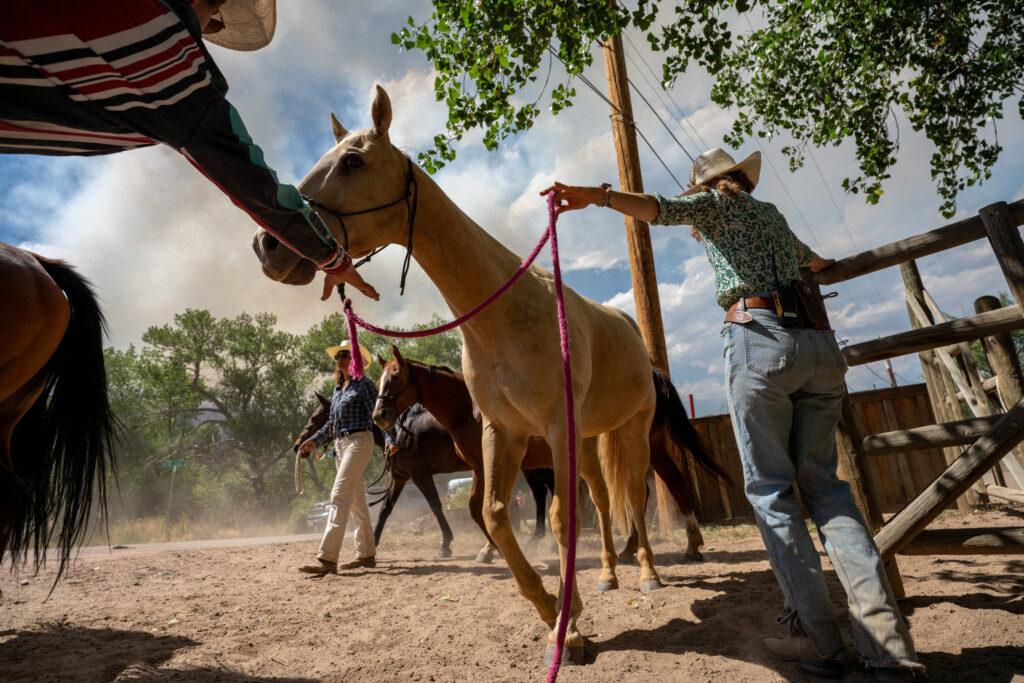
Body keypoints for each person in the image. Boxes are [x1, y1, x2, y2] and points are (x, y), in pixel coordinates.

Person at [542, 148, 922, 682]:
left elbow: (657, 209)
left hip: (759, 340)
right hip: (818, 345)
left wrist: (596, 196)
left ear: (709, 185)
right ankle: (890, 652)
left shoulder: (715, 206)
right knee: (829, 492)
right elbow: (817, 264)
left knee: (772, 493)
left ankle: (818, 642)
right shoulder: (773, 216)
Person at [0, 0, 377, 302]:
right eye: (214, 16)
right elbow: (249, 178)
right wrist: (332, 258)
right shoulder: (166, 47)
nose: (205, 31)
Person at [297, 340, 379, 575]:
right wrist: (314, 440)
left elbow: (377, 415)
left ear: (357, 360)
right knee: (355, 502)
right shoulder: (338, 389)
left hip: (359, 441)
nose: (341, 359)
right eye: (338, 357)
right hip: (340, 445)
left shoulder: (365, 385)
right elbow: (332, 424)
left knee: (338, 496)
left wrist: (391, 439)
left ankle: (327, 559)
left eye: (346, 355)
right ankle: (366, 554)